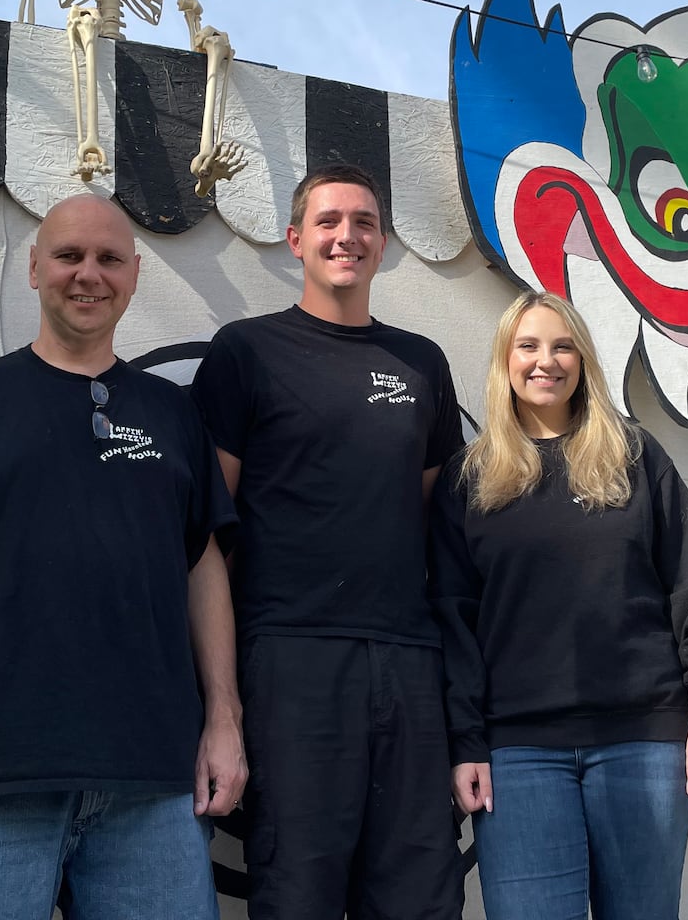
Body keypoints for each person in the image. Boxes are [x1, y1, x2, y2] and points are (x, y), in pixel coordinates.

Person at [0, 193, 244, 920]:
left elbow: (202, 568)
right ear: (33, 270)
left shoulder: (171, 413)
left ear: (133, 276)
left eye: (108, 259)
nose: (87, 274)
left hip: (153, 782)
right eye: (68, 256)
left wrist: (225, 720)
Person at [190, 164, 464, 920]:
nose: (349, 236)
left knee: (419, 894)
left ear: (383, 242)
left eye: (365, 222)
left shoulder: (421, 364)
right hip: (289, 657)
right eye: (330, 221)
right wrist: (224, 694)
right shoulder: (246, 352)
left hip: (411, 660)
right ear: (295, 240)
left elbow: (429, 517)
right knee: (297, 890)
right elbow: (209, 531)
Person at [430, 290, 688, 920]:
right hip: (517, 756)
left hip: (643, 742)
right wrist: (466, 741)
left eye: (563, 345)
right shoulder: (472, 479)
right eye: (529, 346)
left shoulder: (633, 456)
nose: (547, 361)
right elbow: (452, 620)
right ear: (505, 362)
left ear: (583, 361)